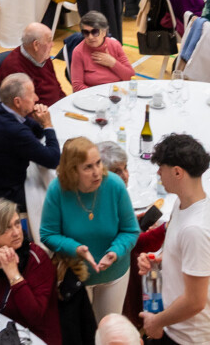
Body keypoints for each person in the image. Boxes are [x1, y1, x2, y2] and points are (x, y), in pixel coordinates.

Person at [39, 136, 139, 329]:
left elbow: (130, 230)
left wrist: (115, 252)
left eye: (98, 163)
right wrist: (75, 248)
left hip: (114, 273)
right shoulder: (57, 190)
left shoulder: (114, 186)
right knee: (81, 333)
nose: (97, 173)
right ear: (72, 170)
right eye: (88, 167)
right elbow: (47, 234)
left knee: (108, 330)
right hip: (77, 275)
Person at [137, 134, 210, 345]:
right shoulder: (182, 203)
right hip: (176, 326)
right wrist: (160, 258)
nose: (158, 173)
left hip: (191, 338)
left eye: (161, 168)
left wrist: (156, 322)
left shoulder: (196, 229)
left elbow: (195, 302)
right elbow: (184, 252)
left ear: (177, 172)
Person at [0, 198, 63, 345]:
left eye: (17, 224)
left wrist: (14, 275)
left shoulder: (38, 259)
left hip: (33, 336)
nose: (16, 233)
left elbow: (35, 317)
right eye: (7, 228)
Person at [0, 72, 60, 204]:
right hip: (7, 193)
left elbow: (36, 131)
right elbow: (54, 159)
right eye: (32, 95)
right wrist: (48, 124)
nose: (37, 98)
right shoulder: (14, 131)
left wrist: (39, 122)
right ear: (18, 102)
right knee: (57, 195)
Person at [68, 12, 134, 90]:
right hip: (93, 97)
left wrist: (113, 63)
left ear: (104, 32)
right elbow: (77, 86)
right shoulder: (78, 52)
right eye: (86, 33)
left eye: (95, 32)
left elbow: (130, 77)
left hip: (117, 93)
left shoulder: (115, 45)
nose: (90, 37)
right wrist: (101, 95)